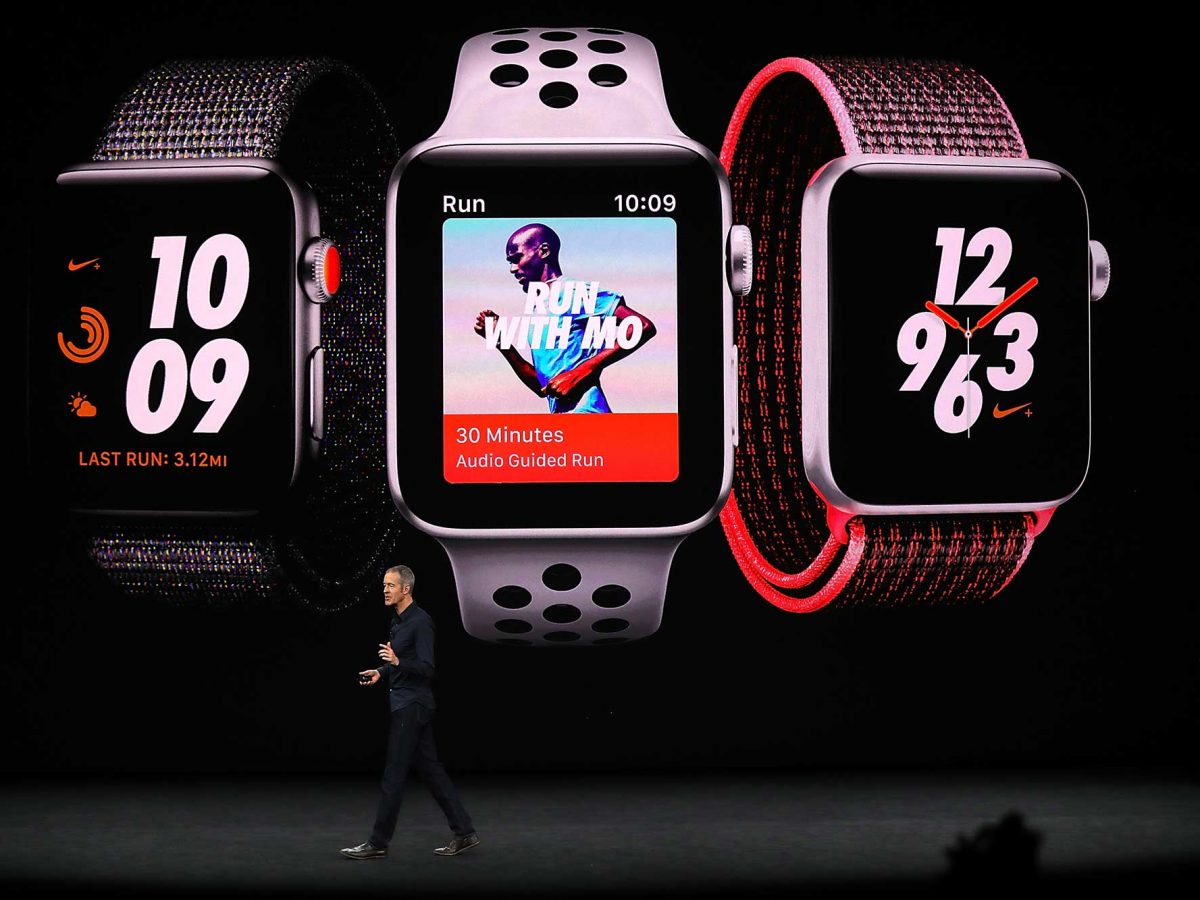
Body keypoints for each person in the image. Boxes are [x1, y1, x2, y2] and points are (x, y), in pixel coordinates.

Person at [340, 565, 478, 859]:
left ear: (406, 589)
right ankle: (464, 832)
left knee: (393, 776)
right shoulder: (398, 622)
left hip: (412, 707)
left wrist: (398, 663)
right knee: (432, 771)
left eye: (391, 585)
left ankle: (377, 843)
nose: (385, 590)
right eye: (384, 585)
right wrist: (381, 671)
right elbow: (400, 662)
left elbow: (427, 669)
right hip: (407, 703)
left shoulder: (420, 622)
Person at [474, 222, 656, 412]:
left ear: (544, 251)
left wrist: (582, 371)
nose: (512, 269)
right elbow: (542, 387)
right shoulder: (539, 309)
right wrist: (501, 342)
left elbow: (642, 326)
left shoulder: (573, 291)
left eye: (517, 258)